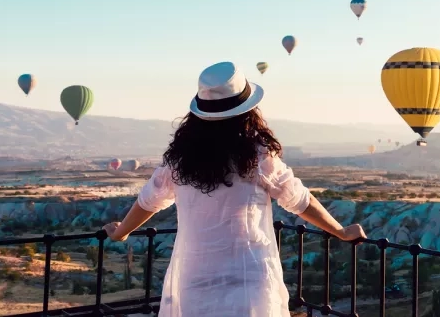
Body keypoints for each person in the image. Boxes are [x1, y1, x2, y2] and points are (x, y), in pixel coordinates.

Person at [102, 62, 366, 317]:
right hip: (249, 279)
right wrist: (340, 231)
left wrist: (121, 233)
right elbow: (299, 200)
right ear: (247, 110)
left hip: (196, 280)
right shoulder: (258, 157)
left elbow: (150, 201)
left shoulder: (180, 161)